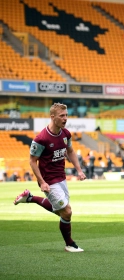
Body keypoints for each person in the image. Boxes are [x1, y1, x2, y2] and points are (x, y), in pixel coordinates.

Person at [13, 102, 86, 252]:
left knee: (59, 209)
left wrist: (79, 170)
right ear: (53, 117)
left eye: (66, 115)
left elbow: (71, 151)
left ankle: (30, 198)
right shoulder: (41, 139)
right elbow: (32, 161)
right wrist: (42, 182)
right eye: (62, 116)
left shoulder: (66, 134)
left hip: (61, 178)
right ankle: (69, 244)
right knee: (67, 211)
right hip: (49, 181)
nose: (65, 119)